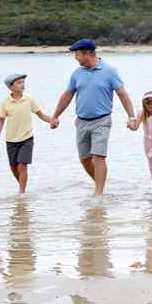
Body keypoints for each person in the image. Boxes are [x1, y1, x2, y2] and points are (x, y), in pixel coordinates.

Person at [50, 39, 136, 197]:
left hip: (102, 121)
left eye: (77, 55)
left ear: (87, 54)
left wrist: (131, 117)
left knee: (98, 156)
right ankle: (100, 185)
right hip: (81, 121)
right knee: (84, 159)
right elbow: (67, 95)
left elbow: (123, 95)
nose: (75, 58)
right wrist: (55, 116)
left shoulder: (110, 71)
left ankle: (99, 194)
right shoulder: (77, 73)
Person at [0, 73, 53, 194]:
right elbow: (1, 121)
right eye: (19, 83)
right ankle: (22, 185)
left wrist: (53, 119)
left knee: (22, 166)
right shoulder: (5, 102)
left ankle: (22, 193)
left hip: (27, 138)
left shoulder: (29, 100)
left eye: (23, 82)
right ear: (11, 86)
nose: (22, 85)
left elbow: (41, 115)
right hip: (11, 140)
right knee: (13, 167)